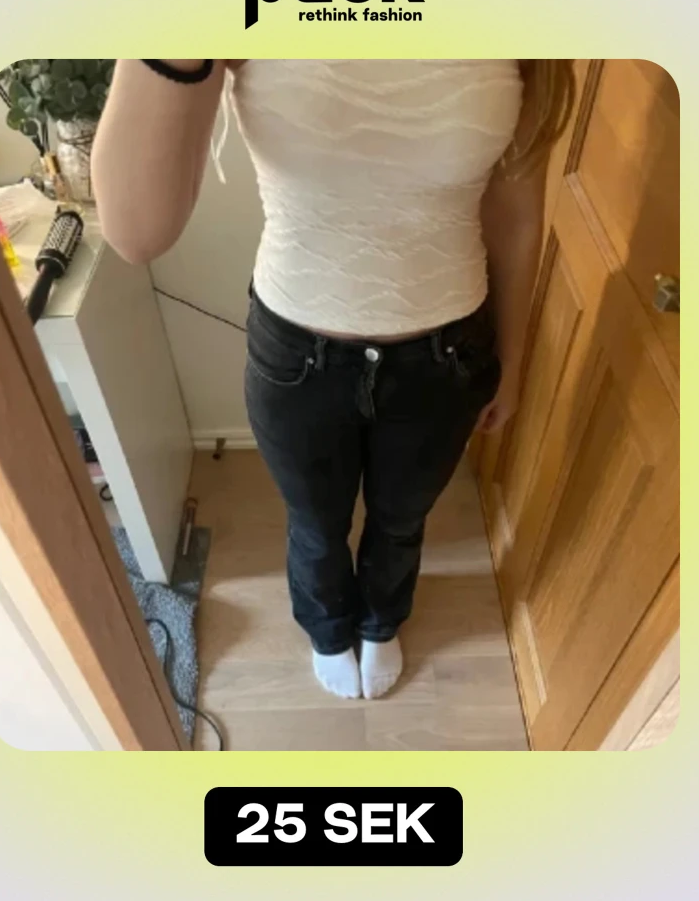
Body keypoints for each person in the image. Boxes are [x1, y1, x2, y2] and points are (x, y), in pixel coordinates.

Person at [91, 59, 574, 700]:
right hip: (297, 357)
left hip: (446, 358)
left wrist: (512, 362)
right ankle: (326, 627)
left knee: (401, 520)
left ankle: (381, 621)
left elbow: (516, 212)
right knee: (316, 525)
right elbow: (135, 230)